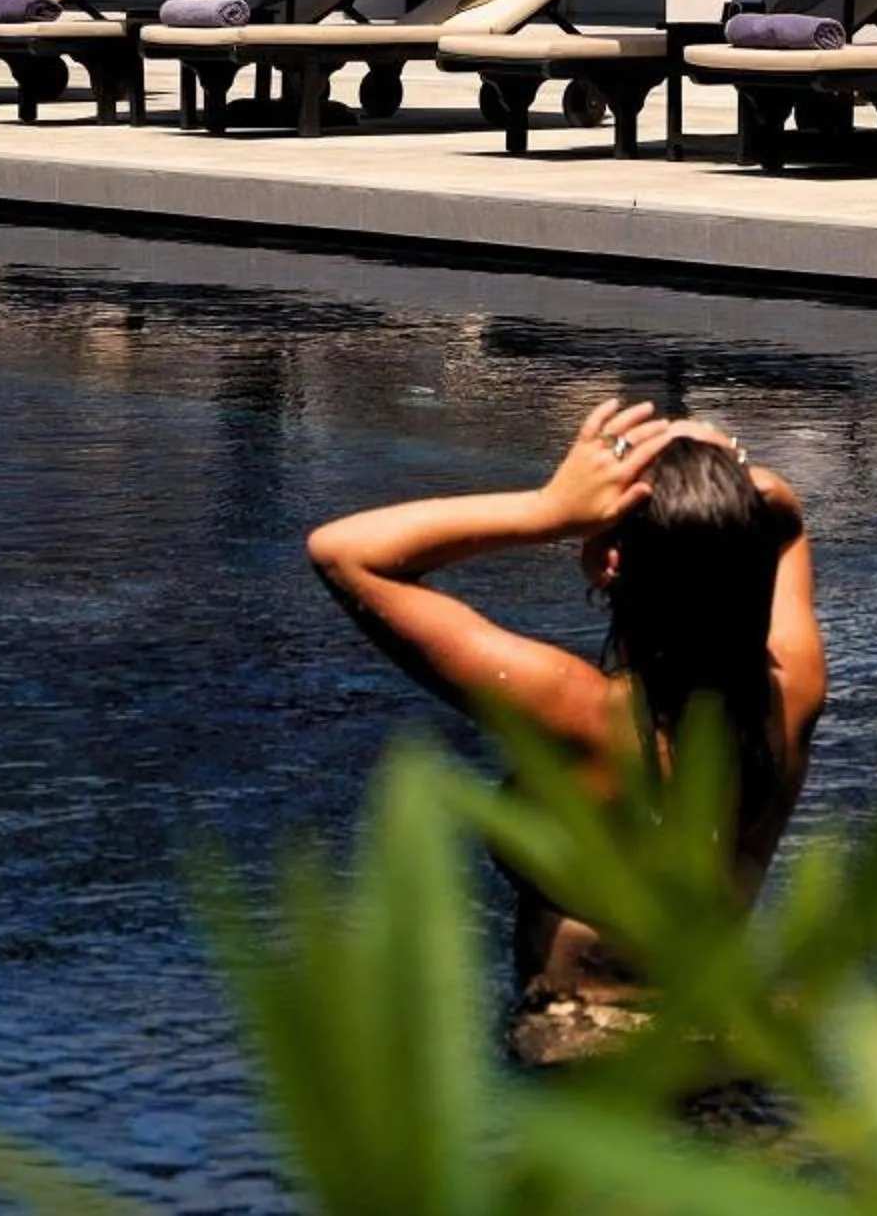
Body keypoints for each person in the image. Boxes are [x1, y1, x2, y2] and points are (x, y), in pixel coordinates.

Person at [304, 401, 825, 1059]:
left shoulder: (576, 712)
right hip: (741, 1034)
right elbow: (787, 521)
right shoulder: (791, 692)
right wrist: (721, 467)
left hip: (596, 1046)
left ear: (609, 559)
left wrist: (548, 509)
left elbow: (345, 553)